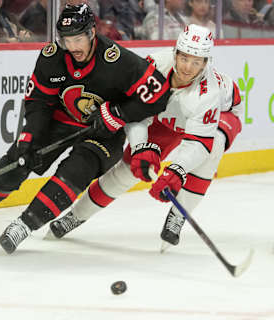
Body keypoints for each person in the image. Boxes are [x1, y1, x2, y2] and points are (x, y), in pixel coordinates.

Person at [0, 4, 171, 254]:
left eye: (78, 39)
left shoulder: (117, 60)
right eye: (67, 40)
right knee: (18, 160)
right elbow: (39, 101)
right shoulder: (52, 56)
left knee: (77, 171)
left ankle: (24, 225)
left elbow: (159, 95)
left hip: (104, 132)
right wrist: (30, 136)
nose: (73, 47)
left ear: (92, 32)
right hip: (61, 121)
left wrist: (119, 114)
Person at [49, 24, 243, 251]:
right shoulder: (154, 66)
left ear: (206, 63)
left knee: (212, 150)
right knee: (129, 169)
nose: (188, 68)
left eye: (197, 62)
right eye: (184, 58)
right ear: (175, 52)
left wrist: (177, 170)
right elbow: (134, 112)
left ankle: (179, 214)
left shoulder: (208, 92)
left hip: (222, 116)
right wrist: (141, 147)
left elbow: (199, 144)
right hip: (167, 117)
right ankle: (76, 215)